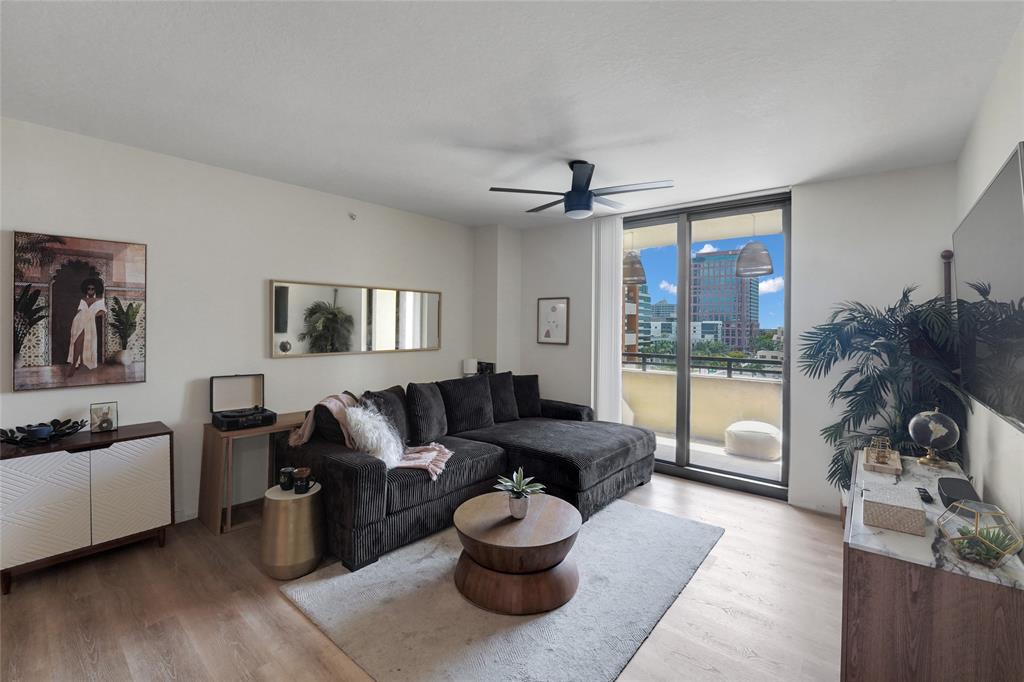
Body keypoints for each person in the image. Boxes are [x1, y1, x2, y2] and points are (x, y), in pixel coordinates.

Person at [67, 277, 105, 377]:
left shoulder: (100, 300)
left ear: (96, 289)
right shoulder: (83, 299)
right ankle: (74, 365)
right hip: (78, 321)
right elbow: (79, 311)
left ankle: (75, 365)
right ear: (86, 289)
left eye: (92, 289)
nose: (90, 290)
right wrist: (75, 321)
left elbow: (103, 312)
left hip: (89, 323)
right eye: (89, 288)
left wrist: (92, 314)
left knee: (82, 342)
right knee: (76, 342)